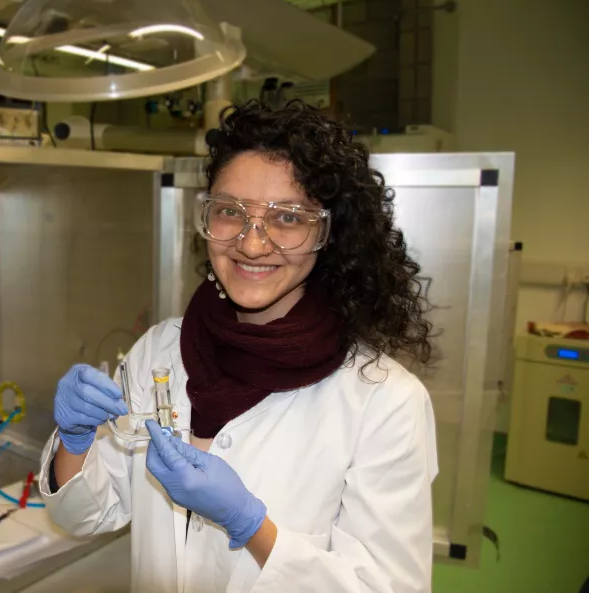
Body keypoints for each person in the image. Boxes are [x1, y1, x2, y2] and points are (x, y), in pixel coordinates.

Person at [40, 100, 438, 593]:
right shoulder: (161, 349)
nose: (252, 245)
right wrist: (74, 445)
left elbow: (390, 587)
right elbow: (86, 516)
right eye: (230, 212)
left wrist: (252, 527)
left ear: (329, 235)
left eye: (288, 218)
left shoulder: (384, 401)